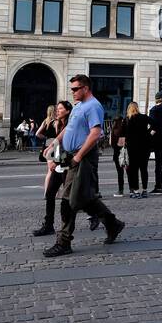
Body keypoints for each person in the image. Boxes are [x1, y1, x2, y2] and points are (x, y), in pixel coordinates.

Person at [44, 74, 125, 257]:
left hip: (83, 158)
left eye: (75, 89)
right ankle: (113, 224)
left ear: (85, 88)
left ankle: (63, 241)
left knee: (68, 201)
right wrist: (54, 143)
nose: (72, 92)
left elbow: (95, 133)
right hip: (72, 155)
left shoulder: (93, 106)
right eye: (71, 89)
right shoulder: (79, 106)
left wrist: (79, 157)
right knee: (86, 198)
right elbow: (69, 128)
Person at [33, 100, 72, 237]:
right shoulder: (57, 124)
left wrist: (58, 160)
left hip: (69, 165)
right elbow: (56, 144)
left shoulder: (70, 125)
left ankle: (99, 217)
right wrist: (52, 157)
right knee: (50, 193)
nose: (57, 111)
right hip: (59, 164)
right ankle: (48, 225)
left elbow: (70, 147)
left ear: (67, 111)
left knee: (76, 198)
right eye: (57, 109)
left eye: (60, 109)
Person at [123, 102, 151, 199]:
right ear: (137, 108)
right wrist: (149, 133)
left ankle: (135, 190)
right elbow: (155, 125)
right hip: (144, 147)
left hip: (132, 148)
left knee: (133, 170)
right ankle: (145, 190)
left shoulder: (127, 120)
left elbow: (123, 134)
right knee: (144, 169)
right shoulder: (144, 117)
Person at [109, 115, 128, 197]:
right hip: (126, 153)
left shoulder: (114, 130)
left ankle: (121, 190)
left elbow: (111, 143)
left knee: (120, 173)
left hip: (117, 153)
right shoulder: (125, 129)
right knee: (129, 171)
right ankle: (132, 189)